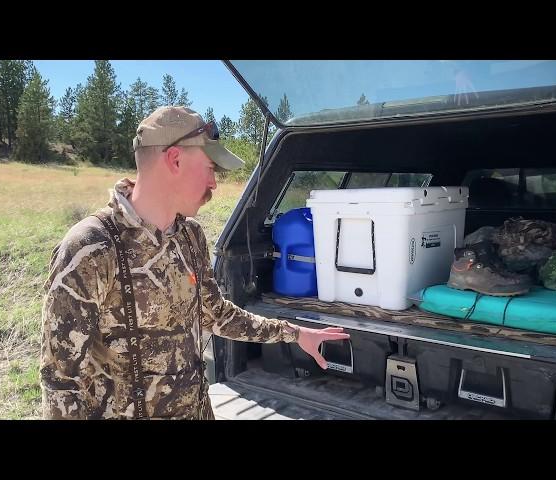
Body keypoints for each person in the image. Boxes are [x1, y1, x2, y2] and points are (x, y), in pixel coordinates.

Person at [40, 106, 349, 420]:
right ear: (175, 160)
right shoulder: (91, 247)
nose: (214, 183)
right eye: (210, 167)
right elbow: (60, 380)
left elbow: (216, 314)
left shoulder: (190, 236)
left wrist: (294, 333)